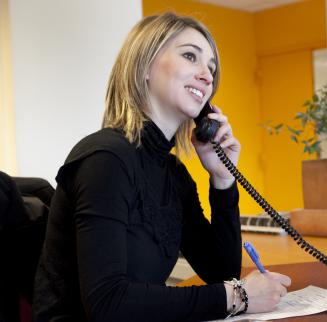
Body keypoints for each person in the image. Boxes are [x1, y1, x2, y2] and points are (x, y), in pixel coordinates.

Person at [33, 12, 291, 322]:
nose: (208, 76)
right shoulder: (106, 160)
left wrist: (222, 178)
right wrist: (237, 296)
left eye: (210, 67)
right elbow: (107, 303)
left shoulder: (172, 173)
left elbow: (220, 271)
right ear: (143, 67)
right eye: (189, 56)